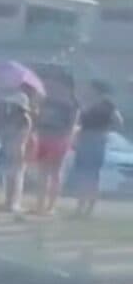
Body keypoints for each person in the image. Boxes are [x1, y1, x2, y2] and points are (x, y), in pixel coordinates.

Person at [72, 80, 123, 218]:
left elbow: (118, 121)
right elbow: (79, 121)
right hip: (85, 137)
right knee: (83, 173)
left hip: (97, 138)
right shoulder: (86, 103)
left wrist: (106, 131)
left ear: (97, 90)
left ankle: (89, 207)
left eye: (90, 88)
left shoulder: (107, 105)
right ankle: (81, 205)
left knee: (92, 173)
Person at [32, 73, 79, 216]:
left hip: (59, 138)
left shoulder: (71, 103)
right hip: (43, 136)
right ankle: (40, 204)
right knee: (42, 172)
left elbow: (72, 123)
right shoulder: (46, 99)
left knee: (55, 172)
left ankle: (51, 206)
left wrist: (68, 138)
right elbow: (37, 116)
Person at [0, 92, 33, 214]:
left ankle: (13, 203)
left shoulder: (24, 119)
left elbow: (19, 136)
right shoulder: (10, 117)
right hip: (8, 148)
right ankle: (8, 201)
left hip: (17, 150)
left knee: (15, 177)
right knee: (8, 177)